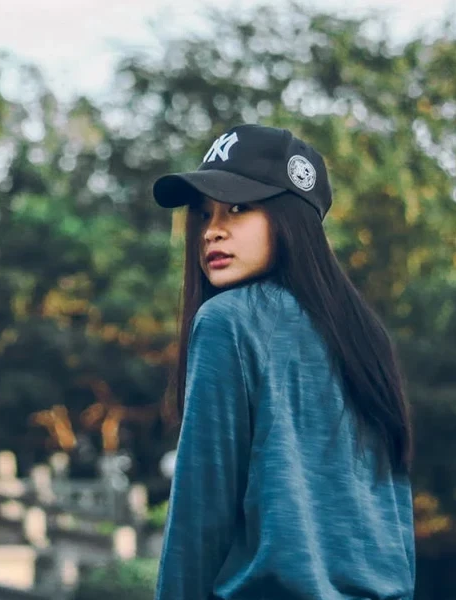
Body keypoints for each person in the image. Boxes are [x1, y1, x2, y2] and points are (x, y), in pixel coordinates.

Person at [151, 124, 415, 599]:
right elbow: (393, 512)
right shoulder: (364, 335)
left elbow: (200, 516)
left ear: (291, 219)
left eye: (238, 208)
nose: (212, 230)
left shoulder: (227, 322)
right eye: (203, 213)